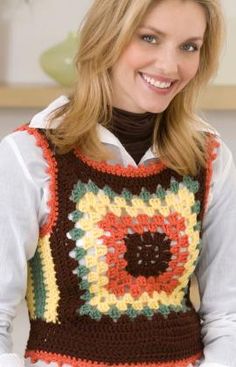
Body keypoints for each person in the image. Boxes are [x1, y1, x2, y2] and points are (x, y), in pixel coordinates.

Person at [0, 0, 235, 366]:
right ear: (106, 37)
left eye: (189, 46)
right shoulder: (30, 154)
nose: (170, 66)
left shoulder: (210, 158)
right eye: (149, 38)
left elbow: (228, 317)